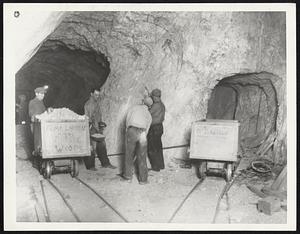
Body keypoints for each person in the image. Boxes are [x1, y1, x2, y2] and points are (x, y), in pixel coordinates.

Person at [120, 96, 153, 185]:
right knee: (142, 156)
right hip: (142, 132)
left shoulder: (134, 108)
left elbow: (127, 120)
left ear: (143, 102)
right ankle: (143, 180)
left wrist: (128, 130)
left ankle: (127, 177)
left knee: (129, 154)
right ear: (149, 106)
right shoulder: (148, 114)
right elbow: (147, 129)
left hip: (132, 130)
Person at [84, 87, 116, 170]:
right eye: (95, 95)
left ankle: (106, 163)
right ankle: (90, 166)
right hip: (92, 128)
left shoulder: (96, 103)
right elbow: (89, 118)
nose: (97, 96)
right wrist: (93, 127)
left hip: (98, 127)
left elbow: (98, 116)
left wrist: (101, 124)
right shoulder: (89, 104)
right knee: (92, 147)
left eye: (98, 95)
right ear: (91, 94)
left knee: (102, 145)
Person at [147, 89, 166, 172]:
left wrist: (147, 105)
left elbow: (148, 113)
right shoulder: (162, 105)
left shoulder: (156, 105)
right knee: (158, 147)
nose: (152, 98)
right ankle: (161, 165)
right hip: (160, 127)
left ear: (155, 96)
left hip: (154, 128)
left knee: (152, 147)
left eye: (153, 96)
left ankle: (155, 167)